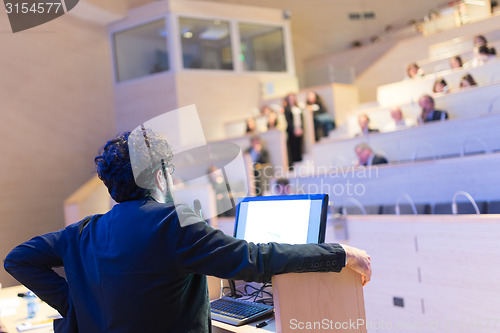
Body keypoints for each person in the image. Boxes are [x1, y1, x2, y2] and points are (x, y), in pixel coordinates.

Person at [4, 131, 372, 332]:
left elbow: (17, 258)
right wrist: (338, 252)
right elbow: (256, 259)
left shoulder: (85, 230)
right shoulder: (172, 222)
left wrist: (75, 304)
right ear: (161, 175)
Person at [283, 93, 304, 168]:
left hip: (299, 128)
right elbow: (288, 121)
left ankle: (300, 161)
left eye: (293, 97)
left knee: (299, 146)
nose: (292, 99)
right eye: (290, 98)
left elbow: (301, 119)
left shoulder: (298, 107)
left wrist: (301, 128)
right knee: (293, 147)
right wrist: (294, 130)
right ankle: (294, 163)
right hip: (291, 130)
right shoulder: (287, 109)